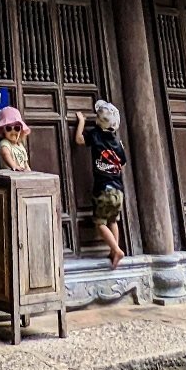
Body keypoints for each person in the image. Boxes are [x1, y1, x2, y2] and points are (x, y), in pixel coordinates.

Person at [75, 100, 127, 269]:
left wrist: (82, 122)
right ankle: (114, 252)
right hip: (118, 190)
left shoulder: (95, 135)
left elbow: (79, 140)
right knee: (113, 220)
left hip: (103, 189)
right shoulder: (118, 143)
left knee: (100, 223)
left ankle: (116, 250)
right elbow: (123, 164)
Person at [0, 104, 31, 172]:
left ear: (21, 130)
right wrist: (14, 166)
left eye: (17, 128)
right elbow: (5, 154)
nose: (13, 131)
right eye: (8, 128)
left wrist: (29, 172)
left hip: (21, 175)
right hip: (10, 175)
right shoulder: (4, 143)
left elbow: (25, 163)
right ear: (3, 130)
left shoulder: (20, 146)